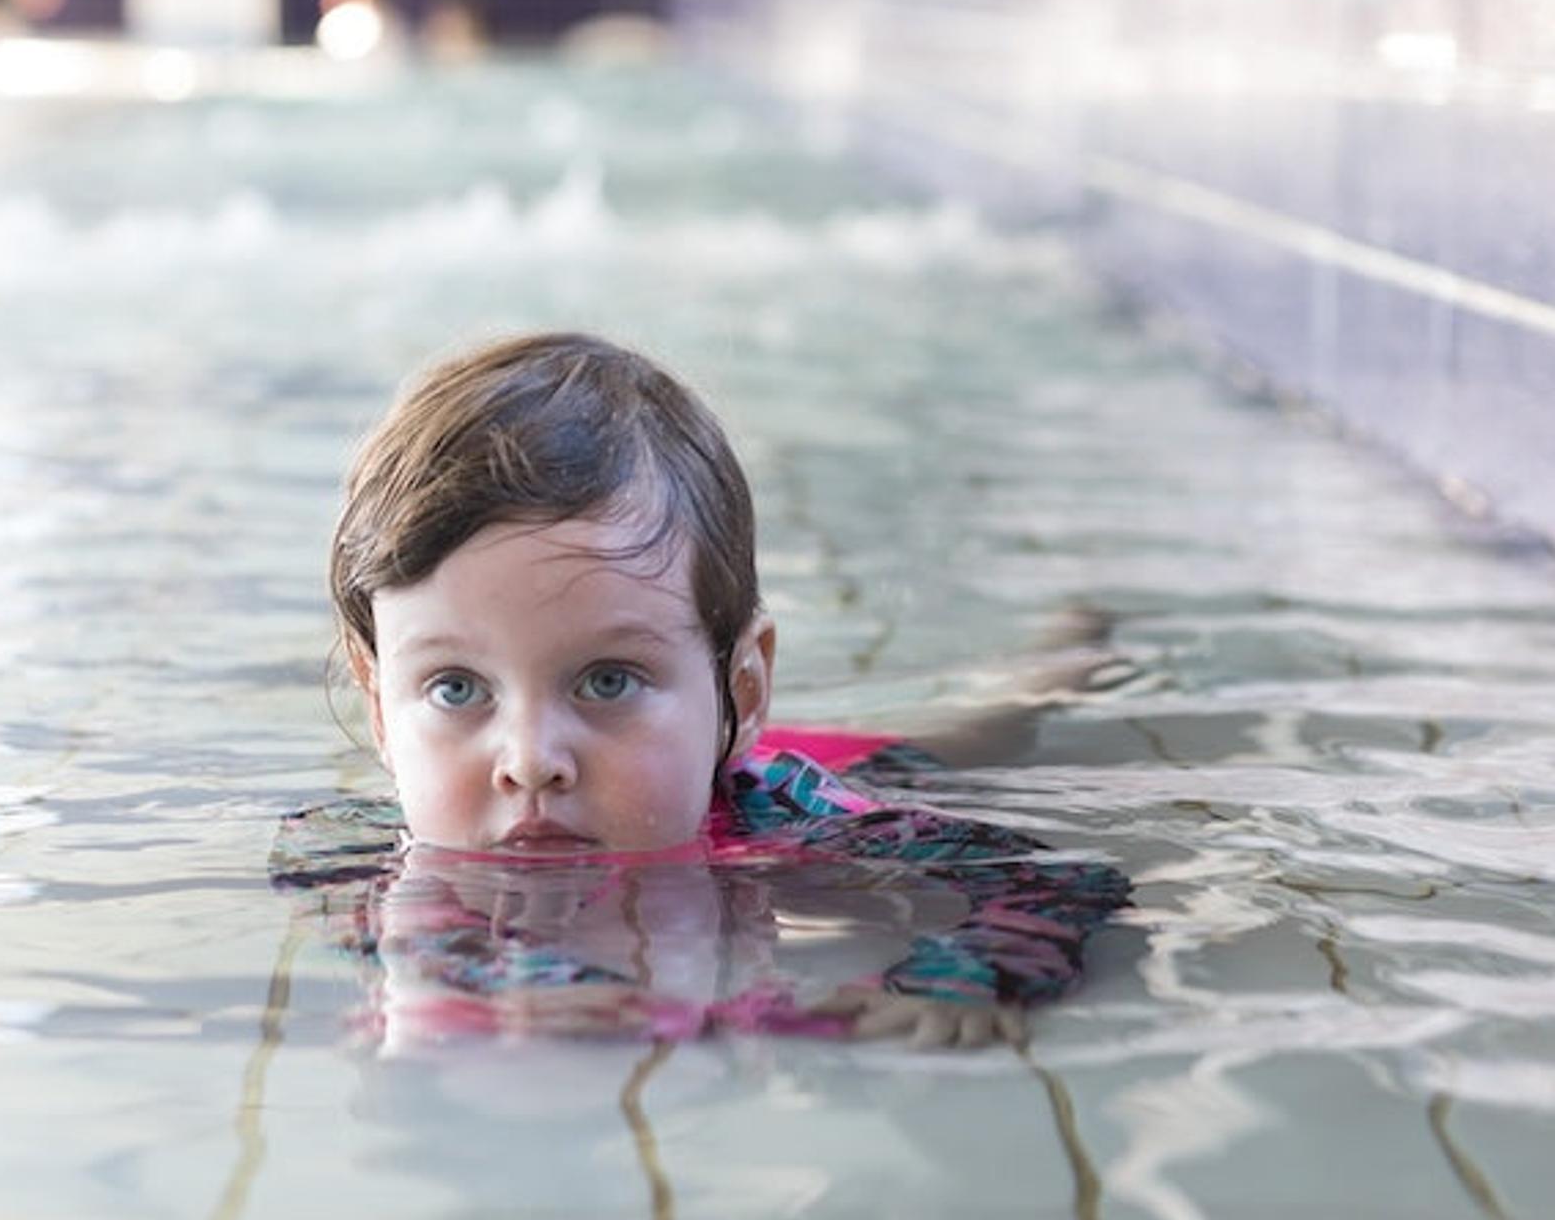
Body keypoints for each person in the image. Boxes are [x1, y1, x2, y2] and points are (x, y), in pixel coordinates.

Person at [277, 333, 1129, 1049]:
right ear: (381, 706)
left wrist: (961, 977)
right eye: (457, 688)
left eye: (607, 679)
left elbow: (1049, 879)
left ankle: (1063, 664)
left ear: (743, 686)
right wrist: (546, 981)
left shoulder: (791, 817)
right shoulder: (351, 856)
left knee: (980, 737)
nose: (531, 761)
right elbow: (389, 933)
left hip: (821, 764)